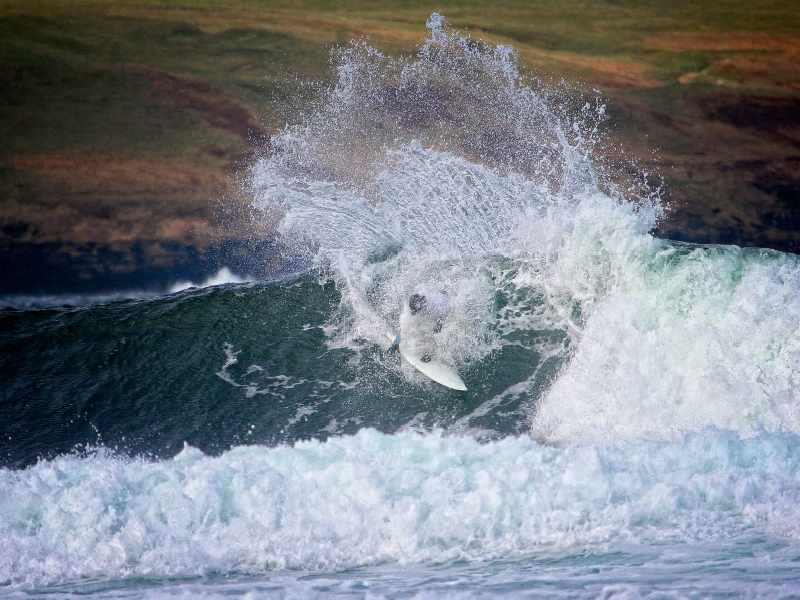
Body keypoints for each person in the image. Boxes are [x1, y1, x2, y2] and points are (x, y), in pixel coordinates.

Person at [388, 291, 452, 362]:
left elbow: (436, 334)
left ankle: (431, 353)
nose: (416, 314)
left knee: (436, 331)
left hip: (446, 310)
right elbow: (405, 325)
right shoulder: (414, 304)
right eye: (414, 312)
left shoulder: (436, 310)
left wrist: (429, 354)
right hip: (436, 299)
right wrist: (396, 342)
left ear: (423, 307)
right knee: (412, 322)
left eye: (418, 312)